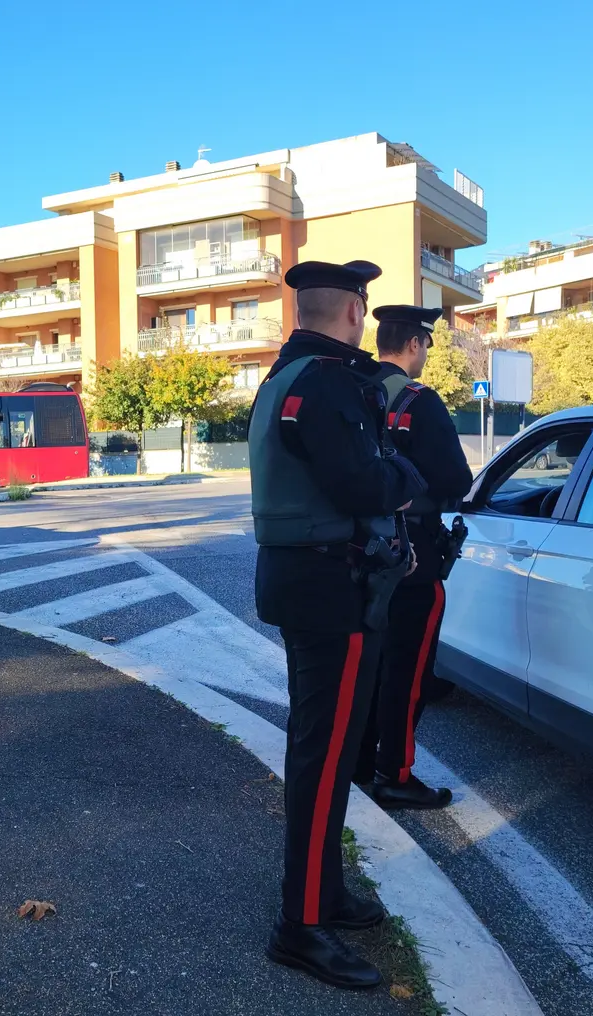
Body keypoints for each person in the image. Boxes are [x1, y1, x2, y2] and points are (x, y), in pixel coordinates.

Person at [249, 261, 427, 990]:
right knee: (324, 759)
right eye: (360, 302)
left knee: (324, 749)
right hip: (331, 587)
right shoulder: (324, 381)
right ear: (354, 310)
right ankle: (300, 926)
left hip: (310, 581)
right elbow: (363, 480)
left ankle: (322, 897)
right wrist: (410, 477)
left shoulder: (285, 375)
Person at [354, 306, 474, 810]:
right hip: (413, 557)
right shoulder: (419, 402)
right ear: (416, 345)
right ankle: (395, 774)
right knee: (409, 671)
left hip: (358, 551)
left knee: (368, 666)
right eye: (425, 345)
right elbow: (457, 482)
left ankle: (360, 763)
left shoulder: (354, 392)